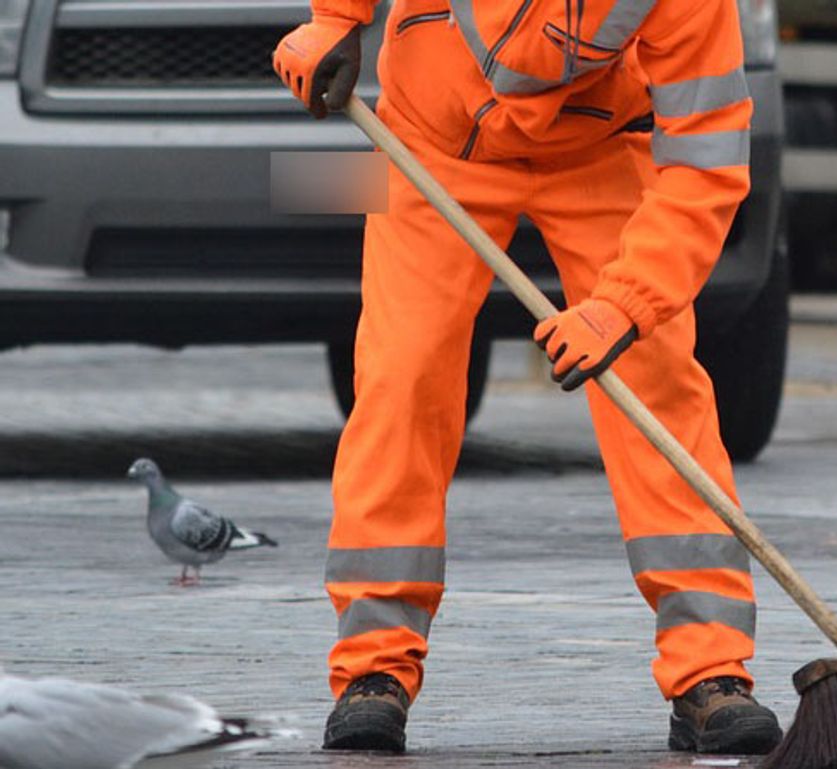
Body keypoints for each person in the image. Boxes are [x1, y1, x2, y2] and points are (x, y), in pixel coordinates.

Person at [273, 0, 782, 755]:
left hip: (599, 148)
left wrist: (623, 304)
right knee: (403, 376)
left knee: (656, 378)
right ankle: (373, 669)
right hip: (431, 140)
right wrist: (334, 18)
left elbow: (707, 166)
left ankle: (710, 672)